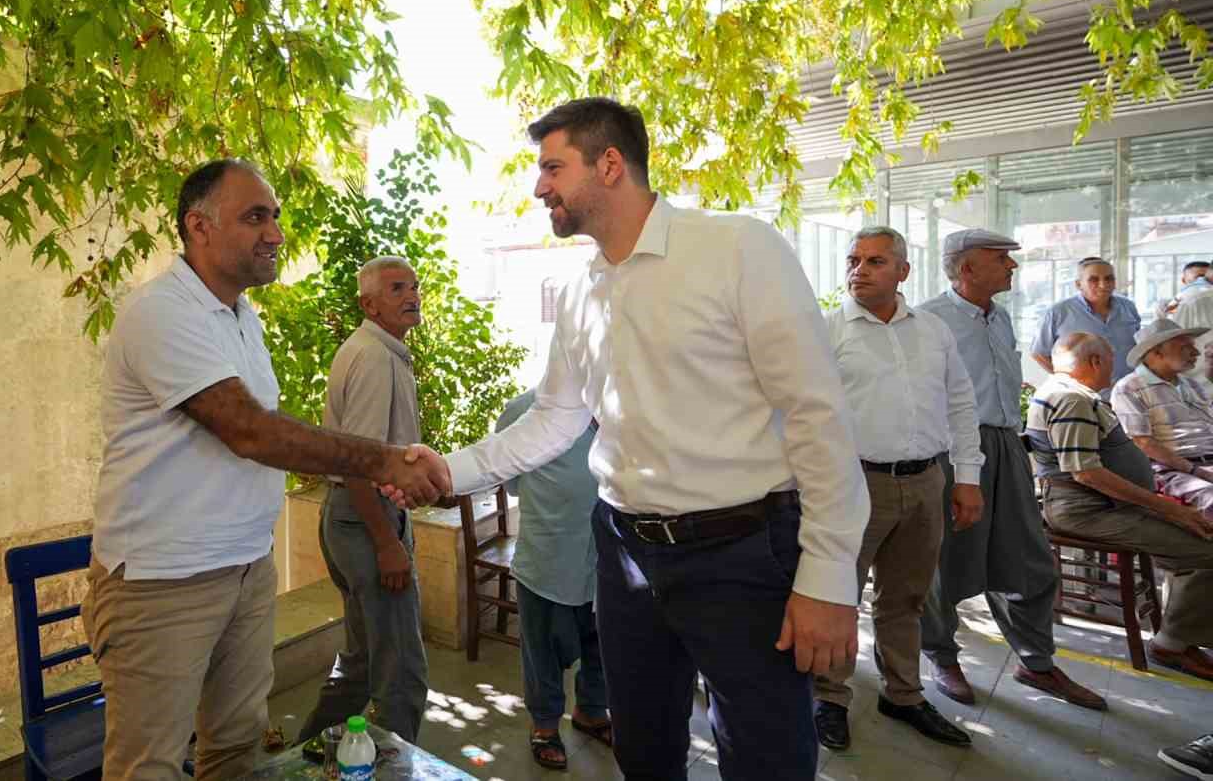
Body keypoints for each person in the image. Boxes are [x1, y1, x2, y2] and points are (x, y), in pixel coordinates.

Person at [396, 97, 871, 781]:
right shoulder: (580, 290)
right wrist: (449, 469)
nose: (539, 186)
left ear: (610, 164)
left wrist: (828, 576)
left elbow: (816, 415)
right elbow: (554, 419)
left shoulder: (738, 248)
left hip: (742, 556)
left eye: (552, 167)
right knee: (643, 751)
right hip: (624, 557)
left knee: (766, 757)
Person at [81, 159, 451, 781]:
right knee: (149, 767)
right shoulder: (160, 312)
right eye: (256, 217)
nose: (276, 233)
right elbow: (251, 431)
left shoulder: (241, 318)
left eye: (275, 217)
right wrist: (385, 459)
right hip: (164, 582)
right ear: (198, 227)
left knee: (234, 749)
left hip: (247, 569)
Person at [917, 229, 1106, 711]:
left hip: (1005, 443)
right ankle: (942, 655)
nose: (1012, 267)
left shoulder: (999, 318)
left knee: (1027, 556)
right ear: (967, 269)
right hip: (956, 447)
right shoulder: (928, 321)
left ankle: (1035, 660)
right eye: (1001, 258)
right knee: (946, 559)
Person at [812, 227, 983, 753]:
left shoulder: (933, 331)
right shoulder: (828, 331)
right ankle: (829, 696)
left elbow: (960, 404)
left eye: (875, 261)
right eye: (853, 260)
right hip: (853, 485)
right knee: (838, 596)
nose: (859, 270)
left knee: (905, 598)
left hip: (926, 482)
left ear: (903, 272)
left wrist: (967, 479)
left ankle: (903, 694)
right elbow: (804, 415)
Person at [294, 256, 430, 746]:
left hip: (356, 519)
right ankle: (398, 767)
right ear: (368, 304)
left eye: (413, 286)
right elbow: (356, 461)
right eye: (397, 289)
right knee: (402, 676)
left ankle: (300, 758)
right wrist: (386, 543)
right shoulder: (373, 357)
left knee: (361, 665)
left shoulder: (380, 350)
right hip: (367, 521)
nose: (412, 295)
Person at [1028, 332, 1213, 680]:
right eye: (1110, 359)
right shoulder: (1071, 399)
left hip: (1104, 505)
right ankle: (1172, 644)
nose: (1112, 369)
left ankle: (1184, 632)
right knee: (1208, 547)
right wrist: (1167, 507)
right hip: (1087, 511)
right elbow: (1086, 474)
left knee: (1198, 537)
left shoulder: (1071, 394)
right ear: (1096, 362)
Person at [495, 389, 608, 770]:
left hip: (602, 558)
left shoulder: (613, 404)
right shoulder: (523, 411)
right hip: (547, 559)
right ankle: (544, 726)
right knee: (543, 648)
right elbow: (510, 481)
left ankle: (591, 712)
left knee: (600, 646)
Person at [1110, 319, 1213, 522]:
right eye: (1186, 347)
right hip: (1172, 472)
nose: (1196, 353)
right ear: (1156, 353)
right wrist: (1197, 471)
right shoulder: (1129, 388)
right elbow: (1143, 443)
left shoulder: (1191, 385)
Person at [1030, 257, 1140, 397]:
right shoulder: (1059, 312)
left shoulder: (1128, 308)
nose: (1103, 284)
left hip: (1127, 395)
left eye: (1109, 278)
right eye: (1093, 279)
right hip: (1083, 398)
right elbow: (1038, 353)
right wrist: (1070, 382)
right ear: (1078, 284)